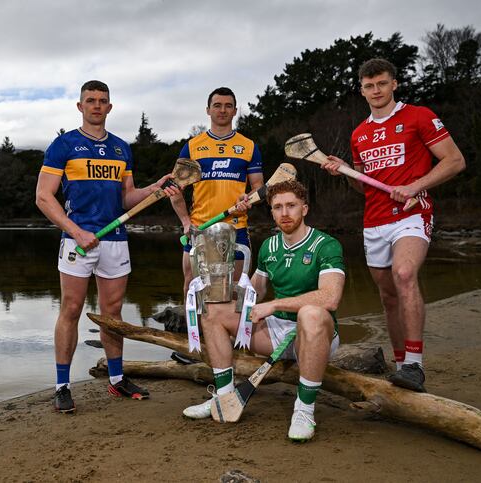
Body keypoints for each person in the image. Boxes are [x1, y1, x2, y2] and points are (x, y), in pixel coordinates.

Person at [35, 80, 179, 413]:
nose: (97, 105)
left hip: (115, 240)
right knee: (70, 311)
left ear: (110, 107)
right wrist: (76, 231)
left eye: (102, 101)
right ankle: (62, 386)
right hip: (77, 241)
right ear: (80, 106)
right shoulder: (64, 145)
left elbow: (126, 197)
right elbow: (43, 197)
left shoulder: (121, 148)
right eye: (91, 100)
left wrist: (152, 189)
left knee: (113, 314)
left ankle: (116, 380)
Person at [323, 58, 465, 392]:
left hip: (412, 214)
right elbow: (363, 185)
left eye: (382, 83)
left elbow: (455, 160)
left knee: (404, 274)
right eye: (369, 86)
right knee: (388, 297)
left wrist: (416, 186)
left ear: (394, 83)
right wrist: (346, 171)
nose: (376, 90)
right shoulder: (359, 134)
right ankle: (401, 366)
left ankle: (415, 365)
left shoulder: (419, 116)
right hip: (374, 221)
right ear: (361, 89)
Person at [182, 180, 345, 442]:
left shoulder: (326, 245)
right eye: (277, 207)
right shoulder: (269, 246)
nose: (284, 213)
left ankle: (304, 410)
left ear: (305, 208)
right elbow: (254, 293)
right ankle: (223, 397)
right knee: (213, 310)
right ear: (271, 212)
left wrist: (275, 305)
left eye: (291, 205)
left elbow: (330, 297)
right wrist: (215, 284)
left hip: (316, 334)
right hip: (277, 332)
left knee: (311, 313)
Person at [170, 87, 264, 298]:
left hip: (235, 227)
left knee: (234, 289)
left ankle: (230, 331)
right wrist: (186, 222)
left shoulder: (248, 146)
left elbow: (258, 187)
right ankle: (193, 332)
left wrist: (247, 199)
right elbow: (175, 190)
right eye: (217, 105)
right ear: (208, 110)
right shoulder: (192, 147)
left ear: (234, 111)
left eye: (228, 106)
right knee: (192, 287)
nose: (222, 110)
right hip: (199, 228)